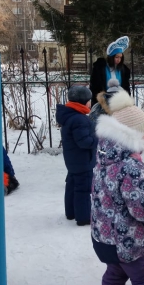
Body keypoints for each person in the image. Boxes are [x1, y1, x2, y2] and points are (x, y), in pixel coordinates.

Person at [91, 89, 144, 285]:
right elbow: (140, 207)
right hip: (127, 240)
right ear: (131, 134)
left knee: (116, 274)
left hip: (105, 236)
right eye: (143, 133)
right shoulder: (130, 165)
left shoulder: (105, 157)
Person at [55, 85, 98, 226]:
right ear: (83, 102)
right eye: (89, 100)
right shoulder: (80, 119)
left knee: (72, 185)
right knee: (83, 189)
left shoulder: (70, 116)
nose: (90, 103)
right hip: (83, 160)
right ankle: (84, 217)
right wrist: (97, 138)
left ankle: (71, 212)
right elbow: (84, 142)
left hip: (73, 160)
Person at [90, 36, 131, 106]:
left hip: (119, 101)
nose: (119, 60)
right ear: (111, 57)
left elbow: (126, 87)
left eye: (120, 57)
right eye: (116, 57)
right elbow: (95, 87)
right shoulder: (100, 68)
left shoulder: (123, 70)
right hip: (103, 102)